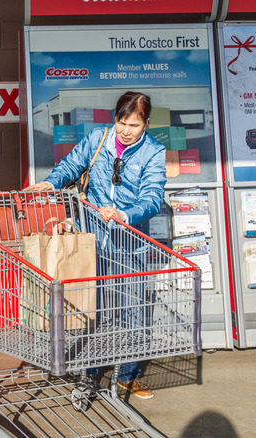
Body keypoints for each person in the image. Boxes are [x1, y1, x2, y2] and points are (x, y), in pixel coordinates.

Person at [25, 91, 166, 400]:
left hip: (131, 245)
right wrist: (52, 182)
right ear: (114, 118)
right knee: (94, 310)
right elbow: (71, 166)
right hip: (92, 244)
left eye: (135, 125)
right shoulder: (96, 139)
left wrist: (125, 214)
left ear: (146, 124)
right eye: (122, 122)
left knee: (133, 312)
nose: (126, 131)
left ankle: (128, 375)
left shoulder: (153, 152)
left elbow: (153, 196)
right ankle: (90, 371)